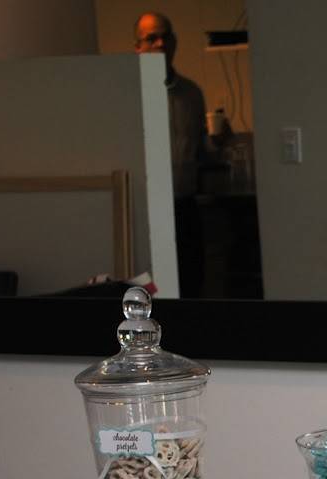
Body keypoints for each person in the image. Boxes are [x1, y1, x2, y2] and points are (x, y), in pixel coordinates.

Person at [135, 12, 206, 294]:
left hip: (185, 206)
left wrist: (218, 143)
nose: (160, 43)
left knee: (191, 283)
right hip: (145, 211)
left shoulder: (192, 94)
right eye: (151, 38)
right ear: (138, 47)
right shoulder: (130, 92)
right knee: (152, 289)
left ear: (175, 41)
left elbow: (199, 148)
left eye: (165, 36)